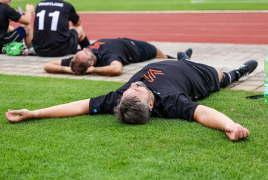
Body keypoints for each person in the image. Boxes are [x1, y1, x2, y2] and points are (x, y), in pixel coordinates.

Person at [5, 52, 258, 141]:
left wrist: (35, 113)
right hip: (199, 76)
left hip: (165, 63)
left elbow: (79, 106)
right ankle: (239, 72)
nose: (131, 86)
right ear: (150, 103)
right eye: (135, 90)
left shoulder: (121, 98)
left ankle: (183, 57)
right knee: (224, 77)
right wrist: (229, 124)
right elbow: (203, 113)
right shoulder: (172, 104)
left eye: (128, 90)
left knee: (184, 59)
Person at [44, 38, 193, 76]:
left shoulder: (76, 62)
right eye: (86, 52)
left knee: (164, 55)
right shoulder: (107, 57)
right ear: (91, 64)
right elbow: (117, 69)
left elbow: (47, 65)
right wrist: (90, 72)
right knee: (158, 53)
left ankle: (179, 57)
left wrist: (70, 70)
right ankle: (182, 60)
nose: (86, 48)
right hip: (136, 48)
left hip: (123, 41)